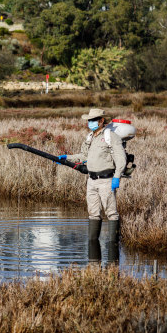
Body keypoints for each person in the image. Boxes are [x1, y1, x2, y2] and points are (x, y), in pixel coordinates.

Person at [58, 108, 126, 262]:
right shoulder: (89, 137)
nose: (90, 123)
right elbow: (83, 156)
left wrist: (116, 177)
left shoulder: (111, 137)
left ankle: (113, 250)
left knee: (111, 213)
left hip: (107, 180)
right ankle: (94, 258)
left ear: (101, 121)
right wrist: (66, 158)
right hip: (91, 181)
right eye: (89, 120)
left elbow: (121, 159)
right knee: (93, 213)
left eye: (93, 120)